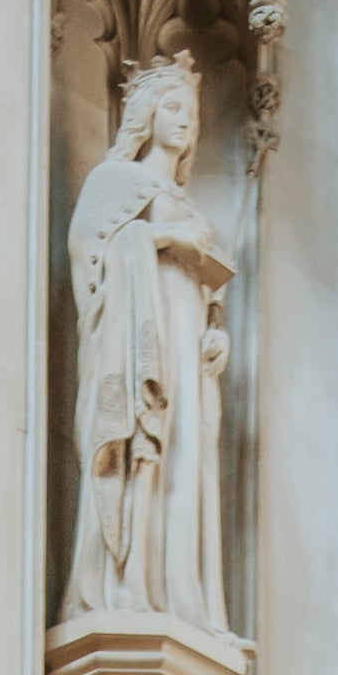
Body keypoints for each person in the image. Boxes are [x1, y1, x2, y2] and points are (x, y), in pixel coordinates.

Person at [61, 48, 235, 631]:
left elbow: (209, 298)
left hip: (187, 351)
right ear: (146, 114)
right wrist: (161, 240)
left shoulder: (192, 205)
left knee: (186, 456)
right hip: (142, 345)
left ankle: (183, 600)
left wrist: (215, 338)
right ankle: (125, 586)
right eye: (172, 106)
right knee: (146, 448)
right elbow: (92, 259)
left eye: (191, 111)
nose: (185, 120)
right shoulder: (116, 182)